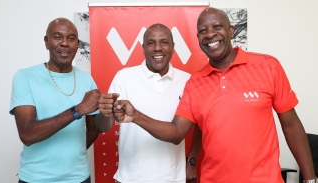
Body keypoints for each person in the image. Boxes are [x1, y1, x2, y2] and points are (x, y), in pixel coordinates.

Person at [106, 7, 317, 183]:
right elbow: (178, 131)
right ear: (198, 38)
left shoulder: (267, 66)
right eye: (202, 30)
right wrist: (137, 117)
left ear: (231, 31)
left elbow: (291, 125)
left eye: (217, 27)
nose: (209, 34)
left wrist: (310, 179)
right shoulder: (195, 82)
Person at [9, 18, 112, 183]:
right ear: (46, 42)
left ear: (77, 44)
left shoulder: (87, 80)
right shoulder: (25, 77)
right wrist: (78, 110)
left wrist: (107, 113)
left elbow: (94, 129)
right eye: (57, 37)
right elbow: (27, 134)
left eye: (71, 39)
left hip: (79, 178)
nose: (65, 43)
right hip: (36, 179)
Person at [95, 23, 191, 183]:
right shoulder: (124, 77)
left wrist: (192, 160)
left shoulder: (188, 80)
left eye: (164, 42)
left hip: (174, 179)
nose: (158, 48)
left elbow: (198, 127)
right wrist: (104, 113)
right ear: (143, 47)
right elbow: (102, 127)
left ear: (173, 47)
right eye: (151, 43)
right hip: (130, 178)